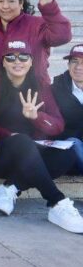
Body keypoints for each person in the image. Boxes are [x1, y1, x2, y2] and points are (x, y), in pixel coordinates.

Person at [0, 40, 83, 233]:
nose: (18, 62)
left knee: (67, 153)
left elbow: (57, 125)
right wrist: (8, 134)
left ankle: (11, 187)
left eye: (23, 57)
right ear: (3, 62)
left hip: (30, 155)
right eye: (11, 57)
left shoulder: (41, 86)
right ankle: (56, 202)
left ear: (32, 61)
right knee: (22, 141)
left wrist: (36, 117)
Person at [52, 44, 83, 172]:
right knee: (73, 142)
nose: (79, 67)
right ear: (68, 65)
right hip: (71, 149)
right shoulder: (55, 90)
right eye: (74, 62)